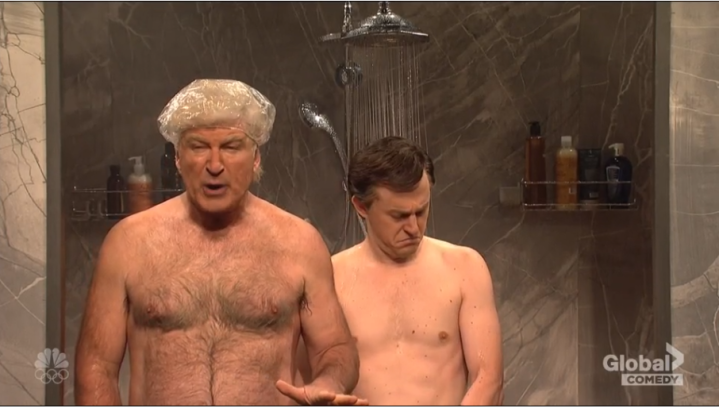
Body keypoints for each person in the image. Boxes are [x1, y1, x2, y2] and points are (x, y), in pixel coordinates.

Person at [74, 79, 366, 406]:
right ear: (177, 158)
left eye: (231, 147)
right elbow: (96, 367)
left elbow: (334, 349)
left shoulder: (299, 243)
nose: (214, 165)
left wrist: (328, 381)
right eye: (198, 147)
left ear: (256, 158)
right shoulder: (129, 243)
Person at [301, 136, 504, 405]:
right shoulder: (330, 279)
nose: (413, 227)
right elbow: (308, 383)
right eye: (399, 216)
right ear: (361, 206)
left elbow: (488, 379)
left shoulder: (464, 269)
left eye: (421, 211)